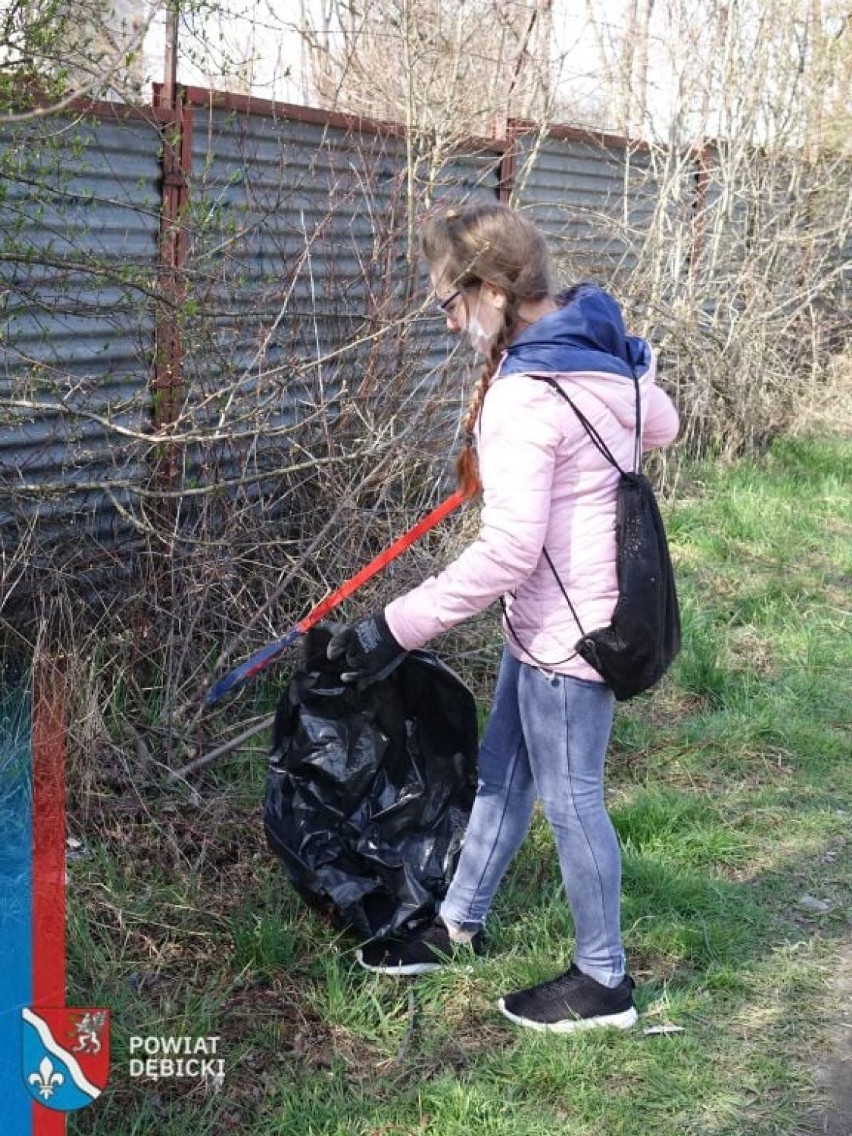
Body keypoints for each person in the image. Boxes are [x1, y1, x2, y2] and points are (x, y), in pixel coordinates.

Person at [327, 201, 680, 1033]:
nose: (450, 323)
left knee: (573, 800)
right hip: (551, 621)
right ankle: (458, 924)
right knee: (503, 775)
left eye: (449, 303)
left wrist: (390, 630)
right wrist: (631, 364)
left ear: (491, 290)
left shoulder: (526, 394)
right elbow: (660, 422)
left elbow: (506, 554)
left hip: (570, 637)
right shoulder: (593, 357)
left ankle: (604, 982)